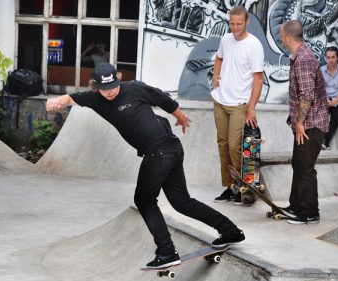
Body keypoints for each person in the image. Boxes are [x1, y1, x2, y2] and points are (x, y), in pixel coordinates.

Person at [45, 63, 245, 268]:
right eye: (105, 90)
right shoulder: (94, 99)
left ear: (118, 79)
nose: (110, 93)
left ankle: (166, 251)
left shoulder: (134, 88)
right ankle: (230, 231)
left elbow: (164, 100)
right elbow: (70, 98)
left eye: (113, 87)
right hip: (166, 151)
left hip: (162, 151)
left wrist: (182, 118)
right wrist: (56, 102)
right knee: (182, 202)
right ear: (96, 87)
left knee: (144, 200)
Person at [210, 5, 264, 205]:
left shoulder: (254, 45)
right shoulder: (226, 39)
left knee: (235, 146)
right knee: (223, 144)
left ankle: (244, 187)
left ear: (247, 22)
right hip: (220, 100)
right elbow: (219, 58)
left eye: (239, 24)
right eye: (232, 24)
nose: (235, 28)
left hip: (239, 104)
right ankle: (230, 187)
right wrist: (216, 75)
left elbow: (258, 79)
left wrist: (251, 108)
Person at [278, 20, 329, 224]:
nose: (280, 38)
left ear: (289, 37)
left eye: (281, 35)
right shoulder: (300, 57)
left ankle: (309, 212)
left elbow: (306, 95)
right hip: (307, 124)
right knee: (299, 165)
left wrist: (299, 123)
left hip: (310, 125)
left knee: (305, 168)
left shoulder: (304, 60)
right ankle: (296, 206)